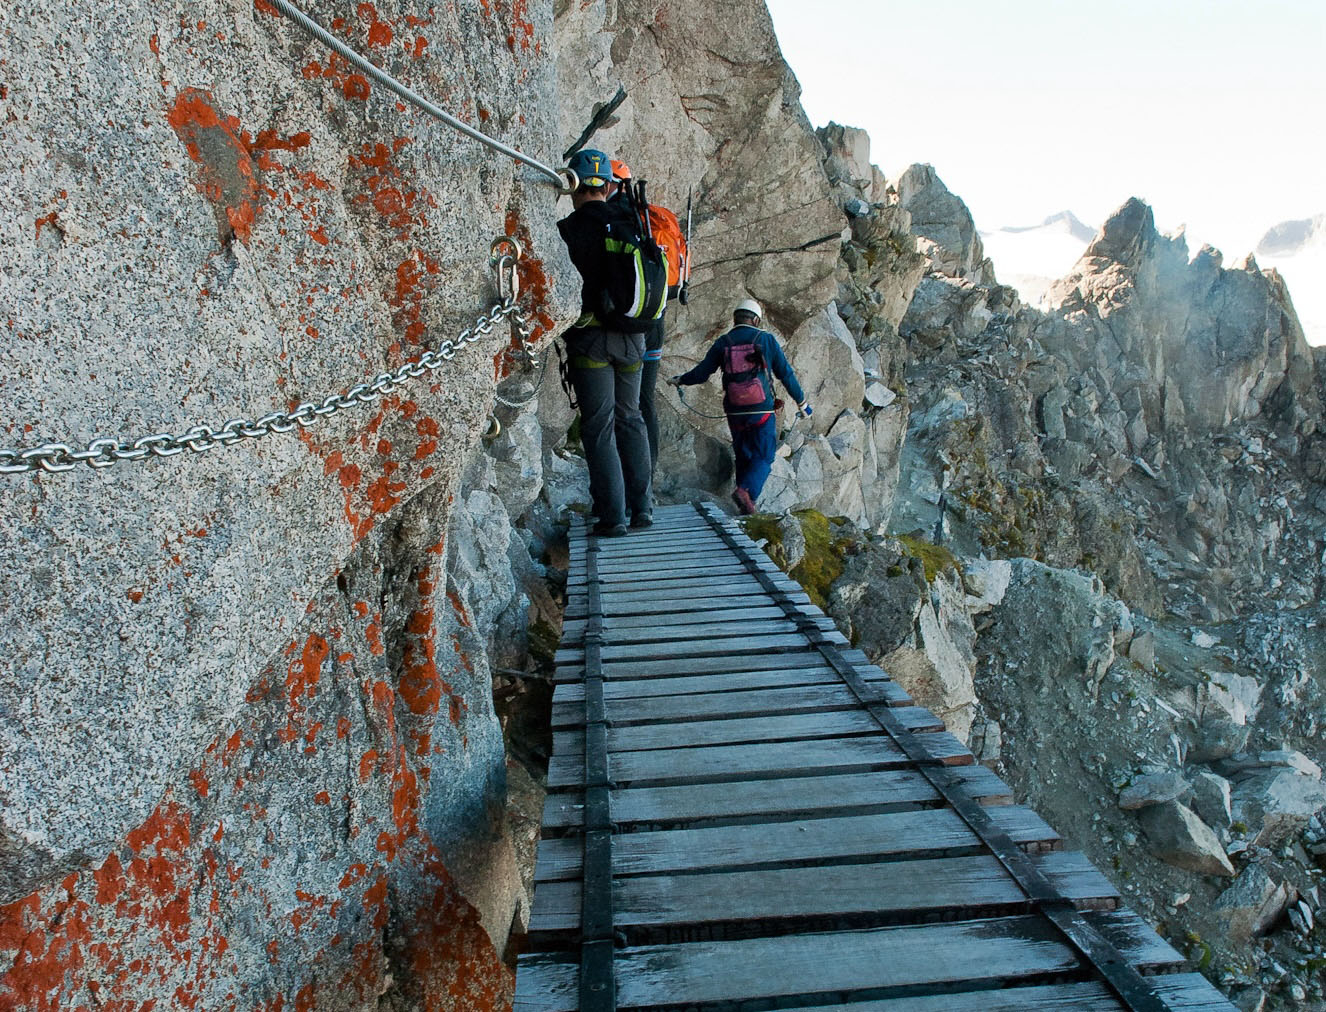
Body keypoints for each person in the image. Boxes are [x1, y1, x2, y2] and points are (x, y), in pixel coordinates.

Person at [556, 149, 654, 536]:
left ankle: (613, 517)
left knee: (599, 426)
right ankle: (642, 509)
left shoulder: (567, 230)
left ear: (574, 184)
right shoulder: (631, 222)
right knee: (631, 418)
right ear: (610, 185)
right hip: (634, 337)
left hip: (592, 339)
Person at [669, 299, 811, 515]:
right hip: (760, 410)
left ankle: (743, 506)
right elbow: (786, 374)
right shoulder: (765, 339)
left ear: (735, 318)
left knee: (744, 454)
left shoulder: (723, 342)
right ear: (755, 320)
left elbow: (701, 373)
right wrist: (802, 403)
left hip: (734, 411)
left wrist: (680, 380)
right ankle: (746, 492)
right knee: (764, 456)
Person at [609, 159, 687, 475]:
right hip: (657, 317)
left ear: (613, 184)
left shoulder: (615, 218)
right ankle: (647, 475)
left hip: (625, 322)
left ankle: (626, 478)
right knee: (645, 402)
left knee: (620, 405)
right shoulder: (652, 217)